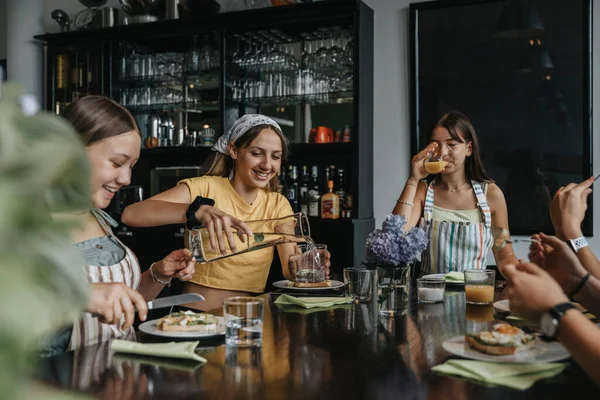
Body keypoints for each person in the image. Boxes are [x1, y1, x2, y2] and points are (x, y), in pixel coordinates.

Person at [122, 114, 331, 311]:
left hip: (249, 320)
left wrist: (302, 265)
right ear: (233, 151)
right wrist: (195, 211)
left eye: (275, 156)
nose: (267, 165)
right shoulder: (205, 188)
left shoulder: (278, 204)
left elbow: (289, 268)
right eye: (256, 153)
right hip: (197, 316)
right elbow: (131, 214)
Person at [57, 96, 196, 352]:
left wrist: (159, 273)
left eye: (131, 166)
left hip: (115, 377)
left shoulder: (98, 218)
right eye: (117, 163)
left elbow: (125, 305)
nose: (126, 178)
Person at [393, 111, 517, 275]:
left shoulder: (491, 194)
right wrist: (413, 179)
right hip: (430, 295)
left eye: (452, 144)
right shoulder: (423, 191)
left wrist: (522, 277)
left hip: (475, 295)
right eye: (435, 145)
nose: (442, 152)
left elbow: (504, 252)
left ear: (469, 148)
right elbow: (394, 238)